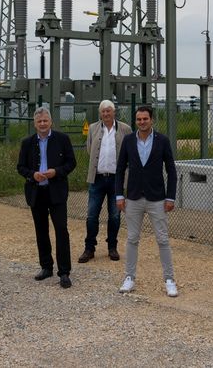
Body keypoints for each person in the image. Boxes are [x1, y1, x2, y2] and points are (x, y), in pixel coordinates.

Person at [115, 105, 179, 297]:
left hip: (157, 198)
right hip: (133, 198)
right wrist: (119, 195)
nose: (142, 122)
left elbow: (171, 170)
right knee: (132, 239)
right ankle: (129, 278)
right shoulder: (128, 141)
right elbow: (119, 170)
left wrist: (170, 197)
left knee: (163, 239)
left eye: (145, 119)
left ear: (152, 120)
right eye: (139, 119)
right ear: (136, 121)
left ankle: (169, 279)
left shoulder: (162, 141)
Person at [17, 107, 77, 288]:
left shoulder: (62, 139)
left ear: (50, 122)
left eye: (45, 121)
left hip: (56, 192)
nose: (42, 124)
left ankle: (64, 272)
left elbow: (71, 163)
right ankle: (46, 267)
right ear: (35, 124)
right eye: (39, 121)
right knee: (41, 231)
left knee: (61, 230)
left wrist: (56, 172)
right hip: (37, 192)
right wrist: (32, 174)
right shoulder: (27, 143)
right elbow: (21, 167)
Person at [79, 99, 132, 263]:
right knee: (92, 215)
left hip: (116, 179)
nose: (106, 114)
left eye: (109, 111)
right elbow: (90, 149)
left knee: (115, 215)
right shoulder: (94, 128)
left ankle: (112, 247)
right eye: (103, 111)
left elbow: (130, 152)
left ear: (114, 112)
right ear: (100, 113)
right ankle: (89, 248)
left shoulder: (125, 129)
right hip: (97, 179)